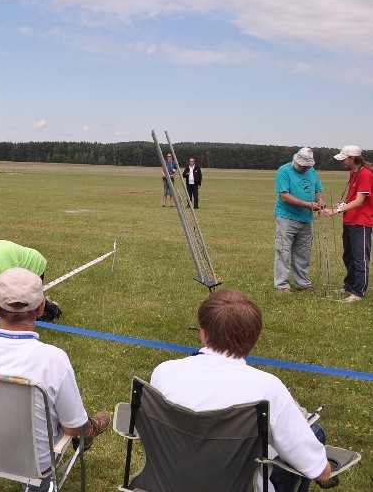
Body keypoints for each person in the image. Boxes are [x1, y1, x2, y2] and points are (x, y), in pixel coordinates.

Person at [150, 289, 332, 491]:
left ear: (204, 333)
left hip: (169, 482)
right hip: (237, 484)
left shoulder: (164, 372)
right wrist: (324, 470)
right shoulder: (267, 388)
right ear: (254, 339)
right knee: (314, 432)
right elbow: (321, 472)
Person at [0, 268, 110, 490]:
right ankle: (91, 427)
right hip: (33, 463)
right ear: (42, 307)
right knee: (74, 422)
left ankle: (91, 426)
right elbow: (72, 429)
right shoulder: (52, 359)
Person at [323, 145, 372, 303]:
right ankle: (349, 286)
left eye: (344, 158)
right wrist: (343, 203)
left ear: (352, 158)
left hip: (361, 222)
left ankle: (358, 292)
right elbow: (353, 198)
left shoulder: (365, 174)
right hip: (350, 220)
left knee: (360, 258)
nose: (342, 161)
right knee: (349, 256)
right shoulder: (353, 173)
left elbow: (359, 201)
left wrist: (336, 210)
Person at [273, 147, 324, 294]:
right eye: (303, 166)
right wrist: (308, 205)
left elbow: (318, 189)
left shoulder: (311, 171)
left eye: (308, 166)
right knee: (283, 251)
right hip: (286, 217)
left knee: (303, 252)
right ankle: (282, 285)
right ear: (296, 161)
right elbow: (284, 196)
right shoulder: (284, 171)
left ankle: (303, 284)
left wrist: (320, 201)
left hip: (306, 219)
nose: (305, 169)